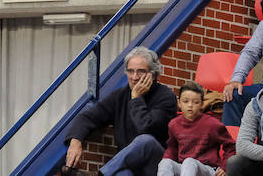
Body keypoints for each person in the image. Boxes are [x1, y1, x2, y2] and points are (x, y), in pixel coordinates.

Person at [64, 46, 177, 176]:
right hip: (130, 167)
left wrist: (136, 99)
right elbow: (88, 117)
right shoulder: (120, 96)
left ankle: (100, 175)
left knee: (146, 140)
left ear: (153, 74)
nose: (134, 77)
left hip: (157, 165)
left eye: (140, 71)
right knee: (122, 174)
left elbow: (146, 127)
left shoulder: (166, 96)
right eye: (130, 71)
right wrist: (75, 140)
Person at [158, 80, 235, 176]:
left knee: (189, 162)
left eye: (195, 102)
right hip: (184, 169)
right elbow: (171, 149)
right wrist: (167, 160)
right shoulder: (174, 124)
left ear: (202, 104)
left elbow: (231, 147)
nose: (190, 105)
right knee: (165, 162)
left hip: (208, 169)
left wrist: (225, 167)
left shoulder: (212, 124)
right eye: (185, 101)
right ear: (179, 103)